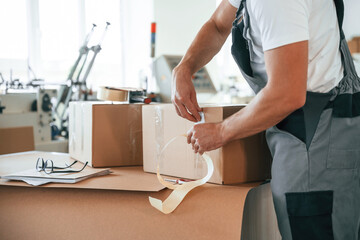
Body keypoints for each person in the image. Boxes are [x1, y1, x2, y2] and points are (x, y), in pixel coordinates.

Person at [171, 0, 360, 239]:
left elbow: (286, 94)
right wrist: (184, 68)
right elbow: (219, 25)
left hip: (316, 143)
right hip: (310, 132)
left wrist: (220, 132)